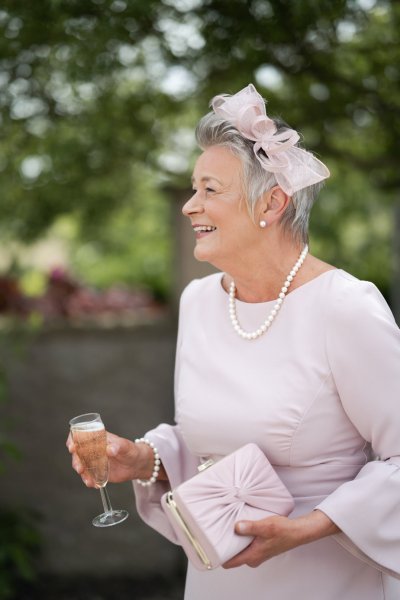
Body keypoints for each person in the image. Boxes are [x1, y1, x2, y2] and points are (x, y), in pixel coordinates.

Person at [67, 84, 400, 599]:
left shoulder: (345, 307)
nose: (188, 206)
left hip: (324, 578)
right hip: (217, 579)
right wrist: (140, 459)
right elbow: (207, 445)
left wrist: (310, 526)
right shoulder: (199, 301)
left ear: (271, 201)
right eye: (192, 188)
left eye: (209, 189)